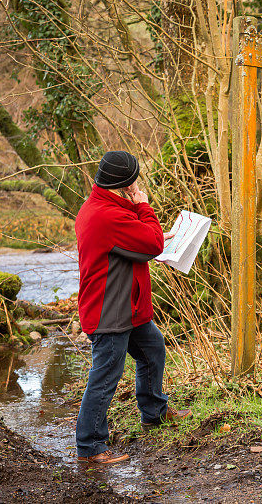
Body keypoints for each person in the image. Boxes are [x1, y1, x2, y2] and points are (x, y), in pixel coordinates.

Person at [75, 150, 190, 465]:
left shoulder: (100, 206)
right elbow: (151, 245)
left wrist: (146, 229)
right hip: (110, 311)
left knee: (152, 350)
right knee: (105, 378)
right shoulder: (108, 215)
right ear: (124, 184)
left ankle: (153, 412)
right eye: (133, 179)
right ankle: (90, 447)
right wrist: (144, 206)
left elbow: (138, 245)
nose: (137, 183)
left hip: (129, 305)